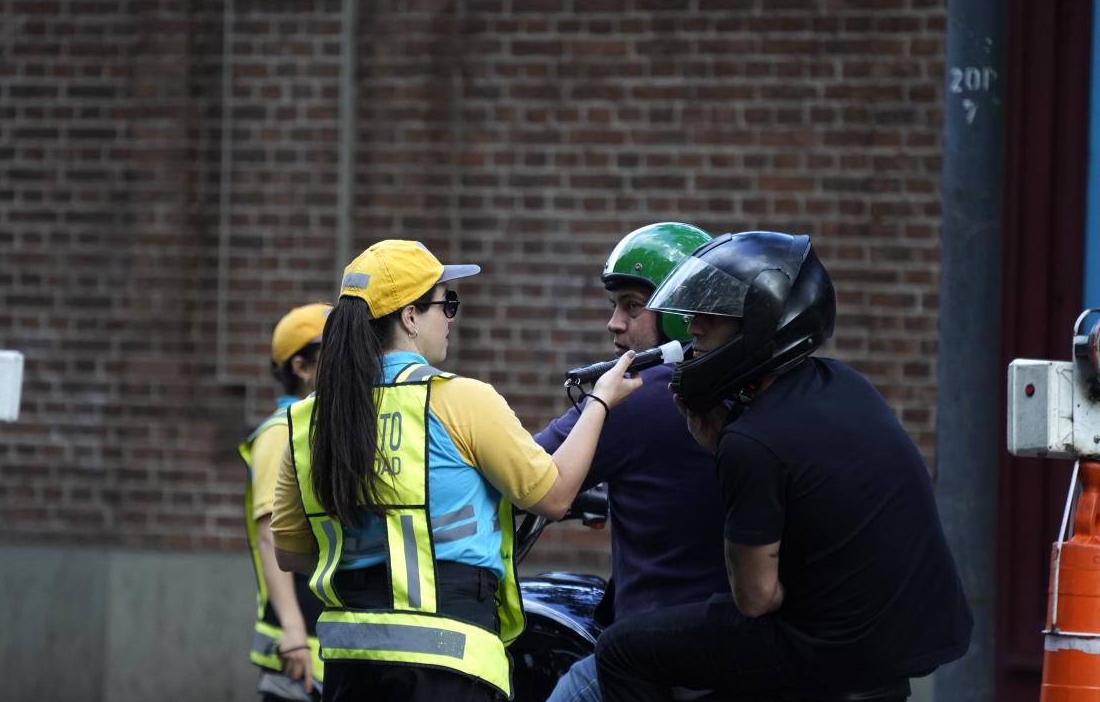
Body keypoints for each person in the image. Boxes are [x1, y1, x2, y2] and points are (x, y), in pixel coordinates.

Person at [594, 231, 973, 701]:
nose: (693, 327)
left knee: (621, 650)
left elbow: (756, 600)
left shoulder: (751, 441)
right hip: (901, 639)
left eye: (713, 313)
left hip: (826, 650)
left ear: (761, 321)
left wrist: (727, 448)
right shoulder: (845, 384)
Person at [270, 239, 641, 702]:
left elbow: (291, 552)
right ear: (410, 317)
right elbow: (555, 495)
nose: (450, 318)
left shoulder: (311, 420)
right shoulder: (460, 401)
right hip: (452, 665)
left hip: (351, 669)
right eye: (447, 304)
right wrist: (600, 400)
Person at [535, 223, 729, 702]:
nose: (614, 323)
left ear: (681, 316)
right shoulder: (733, 384)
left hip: (654, 655)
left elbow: (527, 469)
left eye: (632, 306)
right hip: (733, 644)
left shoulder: (642, 393)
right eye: (614, 306)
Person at [239, 303, 331, 702]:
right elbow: (269, 536)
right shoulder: (281, 433)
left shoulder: (316, 428)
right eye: (333, 352)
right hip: (299, 652)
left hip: (323, 647)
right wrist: (293, 630)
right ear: (301, 367)